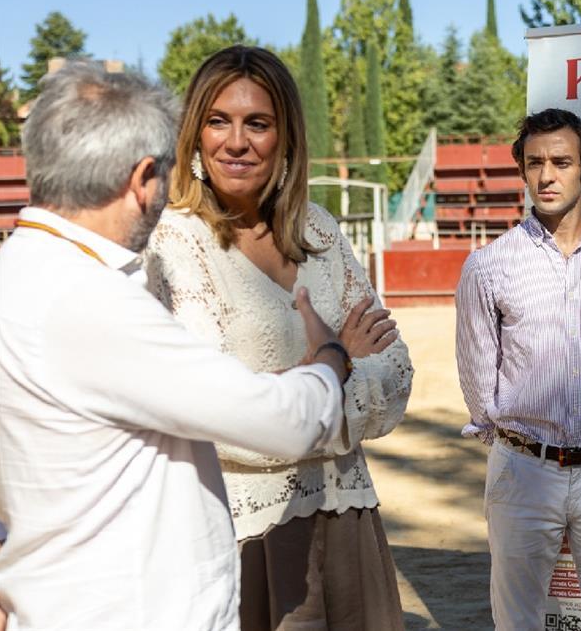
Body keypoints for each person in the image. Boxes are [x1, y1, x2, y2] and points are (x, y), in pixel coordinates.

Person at [0, 63, 349, 630]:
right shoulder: (91, 298)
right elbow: (284, 422)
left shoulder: (13, 274)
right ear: (143, 178)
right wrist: (331, 359)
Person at [144, 46, 413, 631]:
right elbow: (208, 413)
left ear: (285, 135)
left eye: (257, 123)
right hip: (239, 531)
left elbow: (396, 377)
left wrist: (297, 386)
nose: (235, 142)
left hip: (346, 516)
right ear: (195, 133)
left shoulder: (319, 229)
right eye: (219, 121)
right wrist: (338, 361)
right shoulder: (170, 244)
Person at [455, 108, 581, 631]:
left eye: (561, 162)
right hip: (521, 468)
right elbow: (477, 381)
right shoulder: (488, 265)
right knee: (517, 622)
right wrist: (518, 444)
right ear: (521, 169)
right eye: (535, 162)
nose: (546, 176)